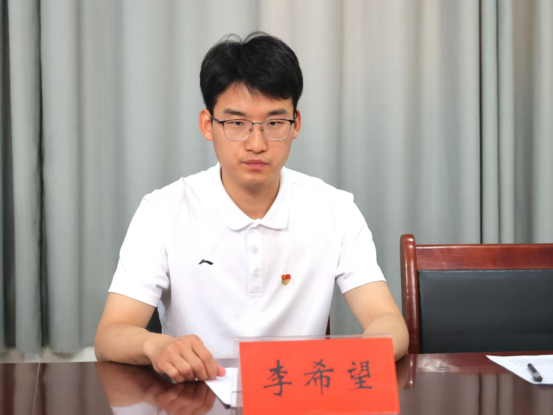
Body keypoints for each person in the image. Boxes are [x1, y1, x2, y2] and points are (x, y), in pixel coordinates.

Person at [94, 32, 408, 383]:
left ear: (295, 125)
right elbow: (110, 335)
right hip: (196, 396)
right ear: (208, 125)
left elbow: (388, 322)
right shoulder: (163, 211)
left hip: (298, 394)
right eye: (237, 123)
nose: (256, 144)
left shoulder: (335, 209)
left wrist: (355, 359)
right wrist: (156, 346)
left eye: (274, 123)